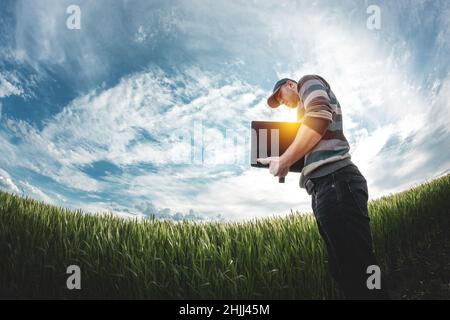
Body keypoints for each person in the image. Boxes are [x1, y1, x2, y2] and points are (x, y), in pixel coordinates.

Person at [257, 75, 389, 299]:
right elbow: (312, 143)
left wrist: (285, 159)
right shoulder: (301, 119)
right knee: (342, 269)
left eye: (280, 96)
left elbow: (319, 117)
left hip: (337, 182)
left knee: (362, 264)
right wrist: (285, 161)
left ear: (291, 85)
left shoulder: (307, 81)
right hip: (323, 189)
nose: (282, 103)